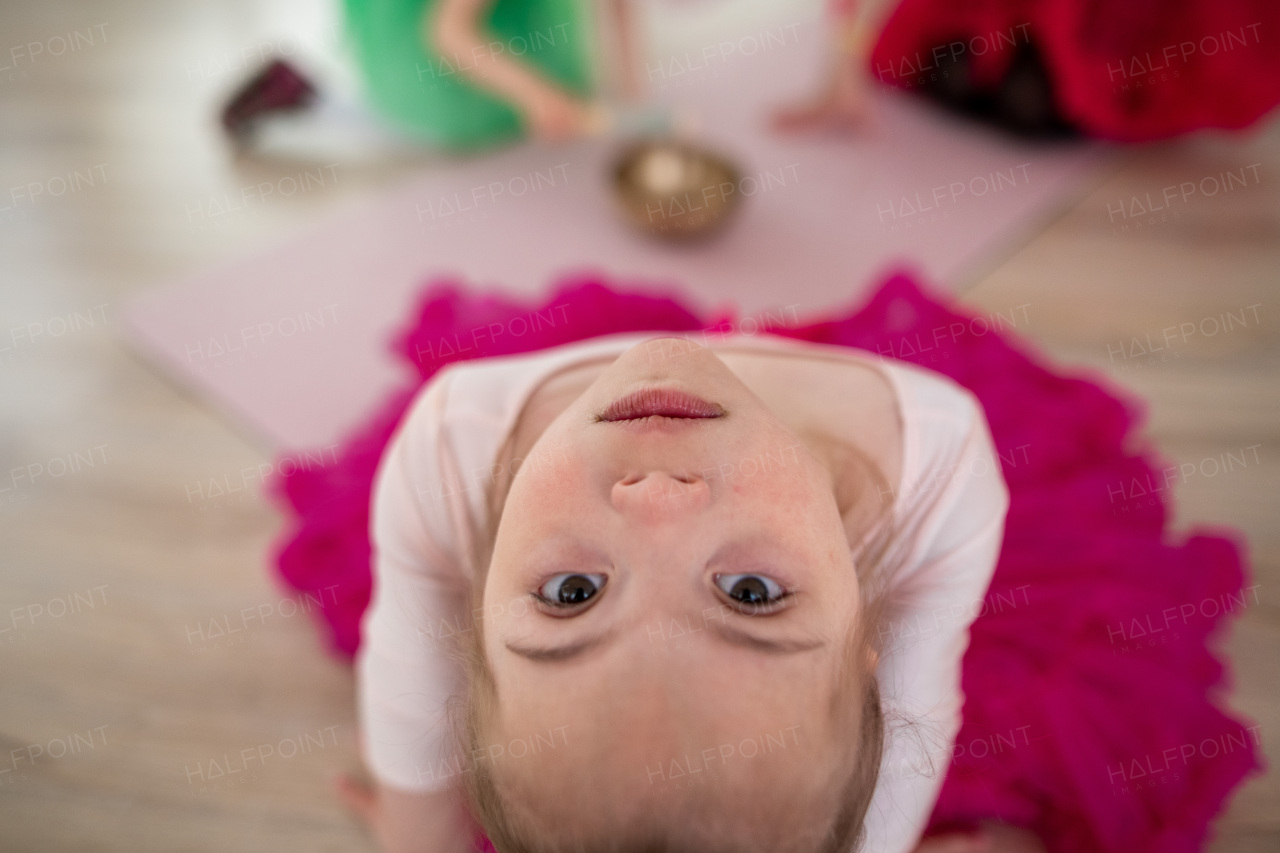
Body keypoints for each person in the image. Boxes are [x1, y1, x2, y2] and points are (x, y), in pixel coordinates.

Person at [335, 329, 1027, 853]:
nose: (656, 497)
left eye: (573, 591)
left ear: (474, 639)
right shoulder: (944, 463)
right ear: (864, 658)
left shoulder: (449, 444)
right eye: (751, 593)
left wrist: (416, 834)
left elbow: (409, 670)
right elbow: (916, 715)